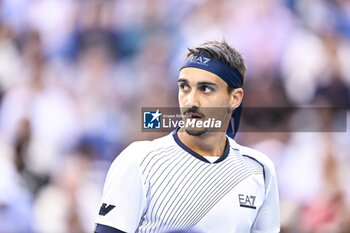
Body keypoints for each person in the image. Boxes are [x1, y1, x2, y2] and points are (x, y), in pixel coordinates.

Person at [94, 41, 280, 233]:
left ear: (235, 98)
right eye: (184, 87)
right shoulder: (139, 160)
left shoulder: (260, 169)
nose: (191, 101)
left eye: (206, 89)